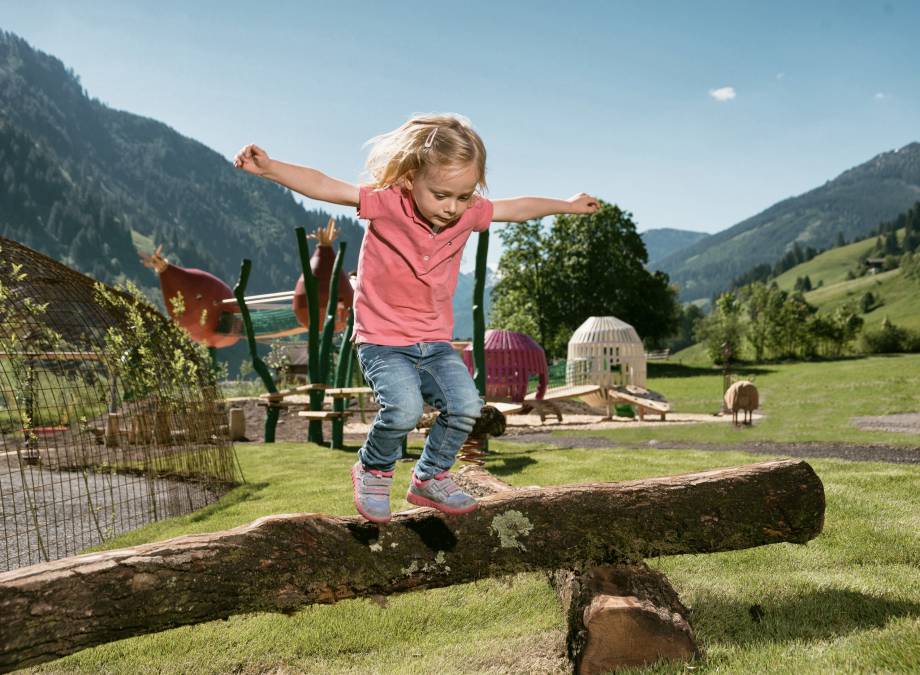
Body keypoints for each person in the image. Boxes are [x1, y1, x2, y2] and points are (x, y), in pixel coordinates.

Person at [234, 113, 598, 524]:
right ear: (410, 179)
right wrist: (270, 169)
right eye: (442, 195)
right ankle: (372, 469)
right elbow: (325, 186)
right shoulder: (386, 202)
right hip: (382, 340)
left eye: (464, 197)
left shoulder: (468, 213)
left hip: (435, 342)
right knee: (404, 410)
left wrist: (567, 206)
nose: (453, 208)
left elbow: (517, 209)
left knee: (465, 406)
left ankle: (429, 477)